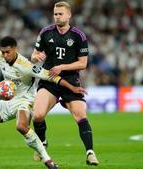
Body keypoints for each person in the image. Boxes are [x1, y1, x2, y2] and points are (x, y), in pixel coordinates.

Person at [0, 36, 88, 169]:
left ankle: (48, 161)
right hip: (9, 101)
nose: (5, 55)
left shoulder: (27, 66)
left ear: (15, 50)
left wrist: (72, 87)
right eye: (3, 52)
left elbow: (51, 77)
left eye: (8, 52)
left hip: (26, 101)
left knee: (21, 126)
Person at [31, 1, 99, 166]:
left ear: (69, 15)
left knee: (81, 115)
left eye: (60, 13)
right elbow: (34, 54)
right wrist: (36, 57)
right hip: (49, 80)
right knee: (38, 115)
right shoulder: (46, 32)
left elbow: (83, 63)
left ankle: (90, 152)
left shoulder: (78, 36)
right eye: (55, 13)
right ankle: (42, 141)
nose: (57, 16)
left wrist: (62, 67)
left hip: (70, 81)